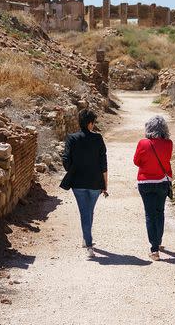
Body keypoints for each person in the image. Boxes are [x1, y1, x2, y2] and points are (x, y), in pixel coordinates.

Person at [60, 109, 108, 258]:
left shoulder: (71, 138)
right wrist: (105, 185)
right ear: (90, 123)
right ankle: (88, 244)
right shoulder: (98, 138)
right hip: (95, 182)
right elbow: (103, 164)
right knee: (88, 211)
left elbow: (66, 160)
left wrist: (73, 168)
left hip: (78, 182)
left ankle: (86, 239)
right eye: (93, 122)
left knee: (85, 212)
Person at [133, 115, 173, 261]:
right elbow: (167, 160)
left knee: (150, 214)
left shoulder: (143, 143)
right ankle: (159, 241)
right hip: (162, 182)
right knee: (160, 212)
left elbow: (136, 162)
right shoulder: (169, 143)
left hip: (145, 183)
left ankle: (154, 249)